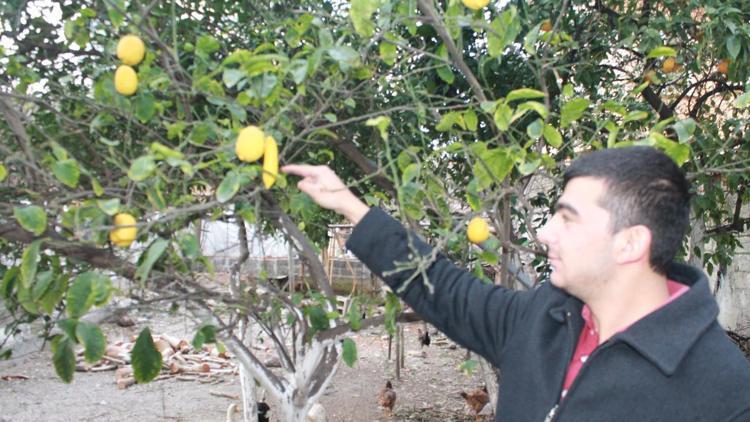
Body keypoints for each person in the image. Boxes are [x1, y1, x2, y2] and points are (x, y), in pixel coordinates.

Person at [282, 146, 750, 421]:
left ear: (630, 243)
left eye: (566, 219)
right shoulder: (545, 316)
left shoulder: (722, 390)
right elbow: (444, 289)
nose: (544, 232)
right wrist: (351, 207)